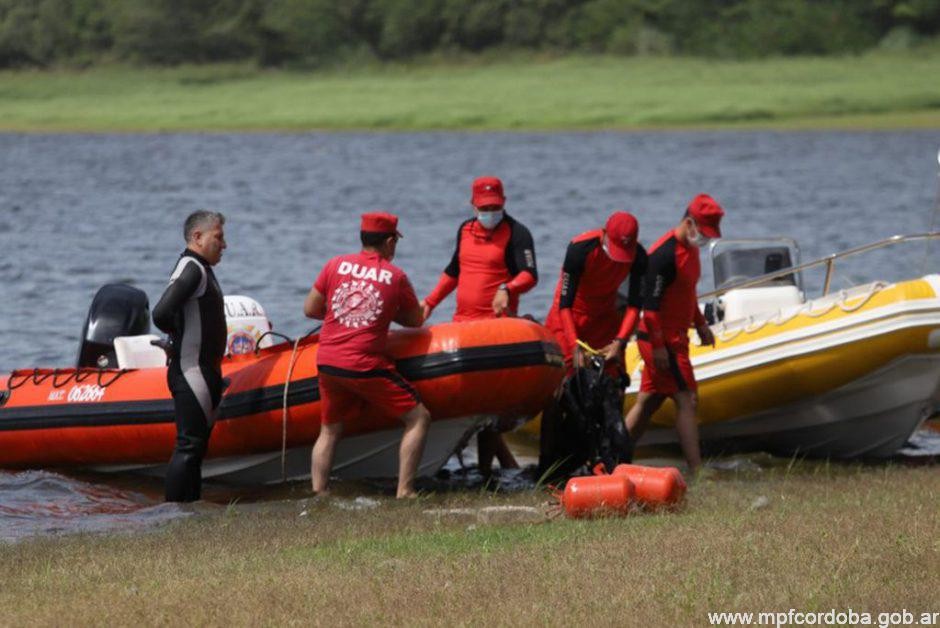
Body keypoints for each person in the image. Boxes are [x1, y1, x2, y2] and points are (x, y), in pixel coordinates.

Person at [304, 212, 429, 498]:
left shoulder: (335, 264)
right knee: (419, 418)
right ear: (389, 242)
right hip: (364, 364)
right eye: (395, 241)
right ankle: (405, 491)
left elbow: (310, 308)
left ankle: (318, 493)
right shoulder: (396, 277)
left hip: (328, 361)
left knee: (329, 430)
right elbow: (414, 320)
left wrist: (344, 314)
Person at [420, 176, 538, 476]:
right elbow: (453, 271)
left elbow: (530, 275)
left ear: (504, 203)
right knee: (471, 408)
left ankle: (487, 473)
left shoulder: (517, 233)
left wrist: (507, 289)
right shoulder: (464, 230)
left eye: (495, 207)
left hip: (496, 331)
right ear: (473, 205)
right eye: (484, 207)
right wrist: (430, 303)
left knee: (488, 409)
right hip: (464, 326)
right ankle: (500, 465)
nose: (490, 212)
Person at [623, 194, 725, 473]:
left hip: (678, 338)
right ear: (689, 223)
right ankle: (696, 470)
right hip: (660, 340)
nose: (705, 240)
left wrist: (701, 324)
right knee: (686, 398)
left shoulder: (691, 251)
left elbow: (687, 293)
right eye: (703, 233)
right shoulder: (663, 256)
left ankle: (614, 457)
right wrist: (657, 347)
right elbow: (651, 309)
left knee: (649, 401)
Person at [152, 210, 228, 503]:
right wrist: (178, 337)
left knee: (195, 449)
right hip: (191, 370)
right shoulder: (192, 268)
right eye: (218, 237)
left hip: (202, 370)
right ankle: (175, 515)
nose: (224, 244)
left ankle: (190, 512)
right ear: (197, 237)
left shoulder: (200, 268)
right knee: (188, 446)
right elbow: (160, 312)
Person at [544, 211, 647, 374]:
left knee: (614, 374)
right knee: (565, 372)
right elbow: (565, 305)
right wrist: (574, 345)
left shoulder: (639, 257)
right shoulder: (580, 250)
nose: (618, 259)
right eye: (616, 250)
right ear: (604, 234)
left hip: (604, 317)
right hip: (570, 317)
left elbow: (634, 306)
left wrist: (620, 341)